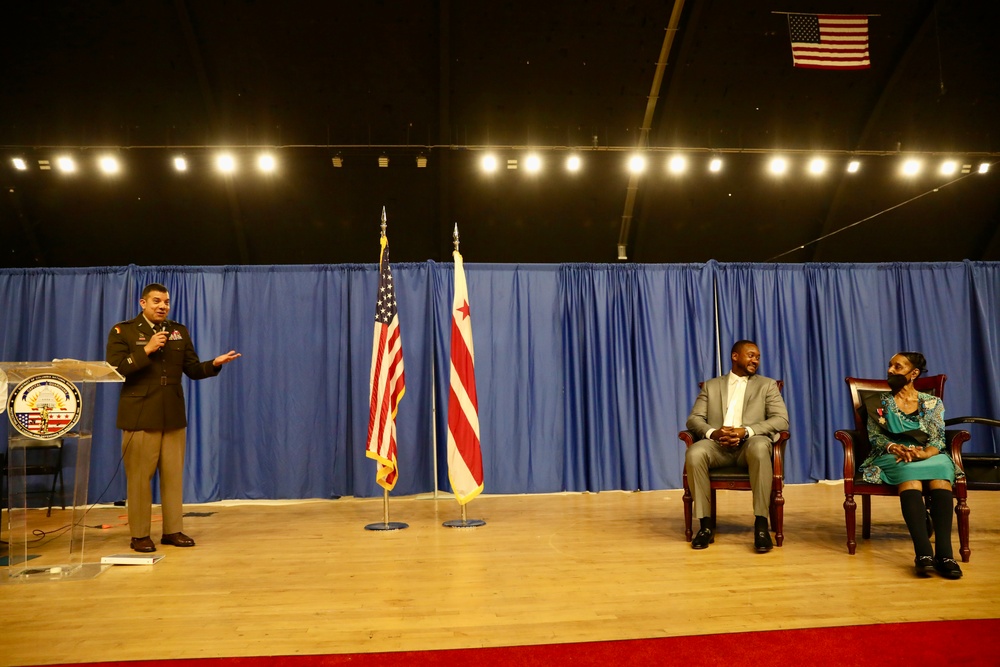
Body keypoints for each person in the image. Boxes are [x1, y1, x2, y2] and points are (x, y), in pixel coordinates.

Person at [106, 283, 240, 553]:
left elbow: (191, 368)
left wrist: (214, 364)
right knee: (140, 478)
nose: (163, 306)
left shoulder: (179, 331)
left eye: (166, 302)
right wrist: (147, 349)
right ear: (142, 303)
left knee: (173, 476)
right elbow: (117, 368)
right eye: (156, 301)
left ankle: (172, 530)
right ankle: (140, 535)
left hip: (172, 413)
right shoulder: (124, 331)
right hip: (140, 414)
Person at [860, 352, 963, 579]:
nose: (890, 370)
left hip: (928, 453)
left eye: (897, 367)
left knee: (941, 474)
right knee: (909, 474)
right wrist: (894, 447)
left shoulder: (932, 403)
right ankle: (923, 553)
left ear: (913, 373)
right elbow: (876, 438)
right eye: (890, 366)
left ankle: (945, 553)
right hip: (893, 454)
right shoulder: (878, 403)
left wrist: (924, 453)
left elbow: (937, 439)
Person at [685, 340, 789, 552]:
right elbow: (694, 419)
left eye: (758, 357)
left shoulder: (766, 385)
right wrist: (714, 433)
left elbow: (781, 420)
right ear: (735, 356)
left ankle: (761, 525)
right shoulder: (711, 386)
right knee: (695, 452)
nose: (755, 361)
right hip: (718, 446)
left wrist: (747, 431)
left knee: (761, 447)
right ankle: (705, 526)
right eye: (751, 355)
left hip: (749, 445)